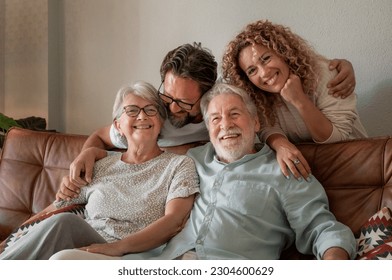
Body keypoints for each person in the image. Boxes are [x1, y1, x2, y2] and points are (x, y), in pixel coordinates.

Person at [51, 83, 356, 260]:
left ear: (257, 123)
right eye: (216, 119)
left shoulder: (283, 169)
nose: (226, 125)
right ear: (207, 128)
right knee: (63, 262)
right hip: (161, 264)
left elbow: (324, 230)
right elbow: (130, 144)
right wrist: (91, 152)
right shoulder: (193, 158)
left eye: (235, 114)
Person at [58, 42, 357, 200]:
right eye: (168, 95)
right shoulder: (149, 114)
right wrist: (86, 154)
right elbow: (101, 137)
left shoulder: (219, 111)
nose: (172, 108)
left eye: (185, 103)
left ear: (204, 96)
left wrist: (279, 144)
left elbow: (262, 123)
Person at [0, 81, 199, 260]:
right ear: (117, 125)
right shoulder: (100, 165)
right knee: (61, 233)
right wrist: (8, 242)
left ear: (161, 121)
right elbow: (52, 211)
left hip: (133, 254)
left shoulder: (179, 165)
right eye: (131, 110)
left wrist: (118, 247)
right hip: (86, 245)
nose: (142, 116)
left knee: (63, 242)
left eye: (150, 110)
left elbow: (174, 220)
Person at [221, 20, 368, 181]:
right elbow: (267, 129)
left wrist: (299, 100)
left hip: (360, 167)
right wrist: (280, 144)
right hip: (313, 175)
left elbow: (335, 139)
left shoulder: (323, 73)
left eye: (266, 58)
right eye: (252, 70)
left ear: (283, 52)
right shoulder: (258, 96)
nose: (264, 73)